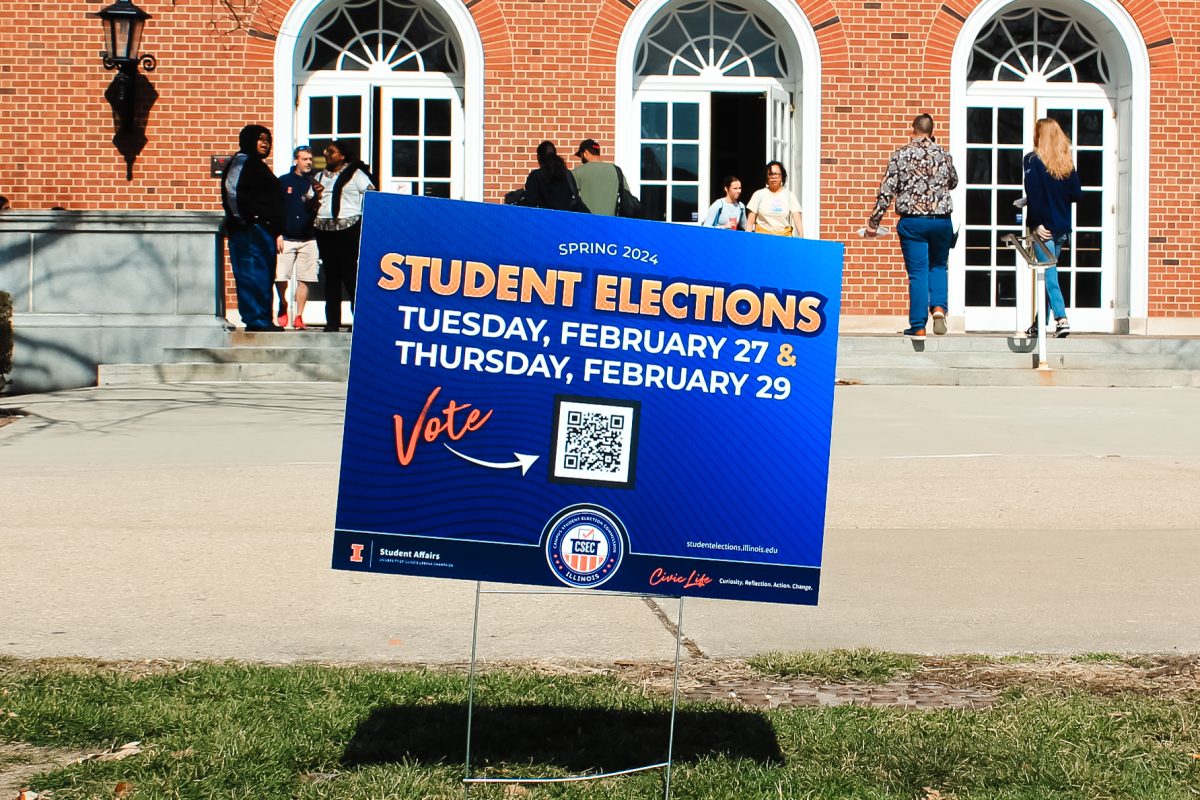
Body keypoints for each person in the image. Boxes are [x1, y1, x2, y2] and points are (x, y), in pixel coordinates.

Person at [866, 114, 958, 339]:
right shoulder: (944, 154)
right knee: (938, 266)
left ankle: (918, 325)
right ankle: (938, 309)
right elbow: (953, 182)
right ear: (932, 131)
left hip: (913, 221)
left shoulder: (901, 154)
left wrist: (873, 222)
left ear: (913, 130)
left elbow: (886, 190)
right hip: (941, 219)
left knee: (917, 272)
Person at [221, 124, 285, 332]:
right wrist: (244, 220)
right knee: (251, 275)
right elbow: (232, 192)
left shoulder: (258, 165)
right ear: (248, 140)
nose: (265, 143)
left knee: (264, 276)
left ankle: (263, 319)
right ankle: (256, 320)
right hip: (250, 231)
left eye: (268, 139)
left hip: (263, 231)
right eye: (260, 138)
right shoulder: (242, 161)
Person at [1024, 118, 1083, 339]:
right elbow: (1077, 194)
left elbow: (1034, 194)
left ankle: (1061, 318)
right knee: (1051, 275)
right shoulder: (1066, 163)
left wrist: (1036, 223)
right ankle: (1039, 325)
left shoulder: (1032, 160)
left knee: (1049, 274)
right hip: (1062, 227)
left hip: (1044, 228)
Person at [315, 140, 374, 332]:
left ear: (342, 156)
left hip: (348, 227)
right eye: (325, 151)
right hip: (324, 229)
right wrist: (313, 198)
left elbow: (371, 194)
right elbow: (309, 200)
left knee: (349, 274)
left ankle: (358, 320)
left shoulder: (355, 175)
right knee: (331, 276)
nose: (326, 155)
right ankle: (332, 321)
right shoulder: (319, 176)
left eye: (331, 152)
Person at [275, 145, 322, 330]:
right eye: (304, 159)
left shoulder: (315, 182)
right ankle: (283, 304)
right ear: (296, 160)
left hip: (309, 238)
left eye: (310, 159)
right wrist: (277, 234)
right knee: (280, 277)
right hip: (286, 237)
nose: (308, 162)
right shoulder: (283, 181)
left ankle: (300, 316)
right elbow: (276, 209)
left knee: (306, 278)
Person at [520, 141, 587, 212]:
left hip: (544, 219)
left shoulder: (536, 176)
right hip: (565, 219)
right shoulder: (567, 174)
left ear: (538, 157)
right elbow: (574, 198)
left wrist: (516, 202)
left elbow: (530, 203)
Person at [572, 138, 629, 217]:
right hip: (610, 224)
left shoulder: (577, 172)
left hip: (585, 223)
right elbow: (627, 194)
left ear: (585, 153)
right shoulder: (616, 171)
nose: (581, 159)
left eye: (581, 155)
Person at [746, 161, 803, 237]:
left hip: (784, 239)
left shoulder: (790, 196)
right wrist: (747, 241)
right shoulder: (758, 194)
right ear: (766, 177)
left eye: (776, 174)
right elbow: (749, 224)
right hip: (762, 239)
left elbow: (797, 221)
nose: (773, 177)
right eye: (770, 174)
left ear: (782, 176)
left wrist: (801, 238)